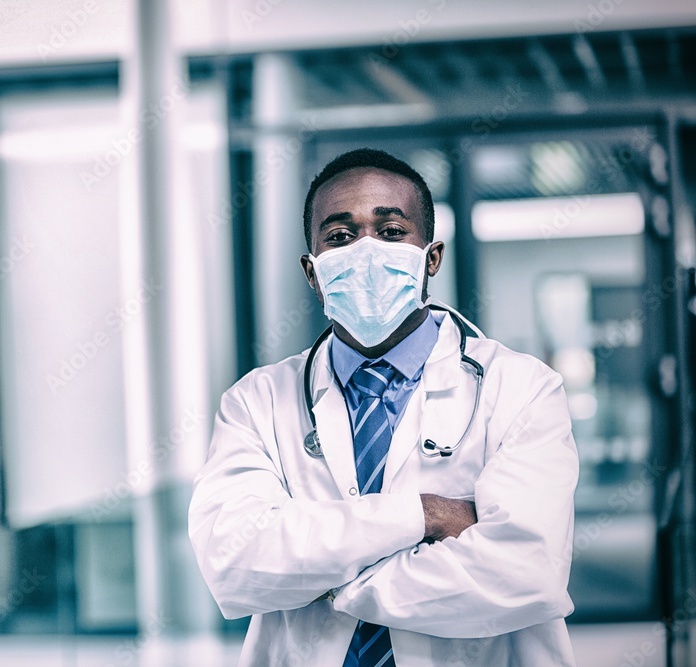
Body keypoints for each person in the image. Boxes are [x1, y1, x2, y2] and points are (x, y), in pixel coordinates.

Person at [188, 148, 579, 666]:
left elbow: (523, 571)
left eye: (392, 232)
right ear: (313, 270)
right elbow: (235, 563)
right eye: (340, 236)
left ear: (431, 258)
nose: (366, 250)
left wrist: (332, 585)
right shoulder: (255, 402)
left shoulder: (522, 387)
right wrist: (425, 514)